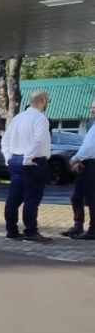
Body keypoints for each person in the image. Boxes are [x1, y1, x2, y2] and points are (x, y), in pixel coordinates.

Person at [2, 89, 53, 243]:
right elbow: (38, 141)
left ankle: (12, 230)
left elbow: (6, 139)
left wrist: (8, 157)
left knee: (14, 197)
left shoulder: (18, 118)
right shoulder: (40, 118)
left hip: (16, 160)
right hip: (33, 161)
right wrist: (28, 158)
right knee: (31, 198)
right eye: (47, 101)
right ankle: (31, 232)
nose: (47, 104)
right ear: (42, 101)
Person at [62, 100, 95, 240]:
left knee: (92, 198)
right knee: (76, 196)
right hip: (86, 163)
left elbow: (90, 147)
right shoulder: (92, 124)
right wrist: (80, 160)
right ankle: (78, 225)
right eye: (91, 107)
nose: (92, 110)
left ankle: (93, 230)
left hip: (92, 164)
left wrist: (75, 158)